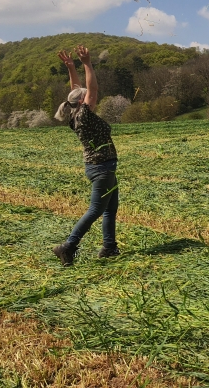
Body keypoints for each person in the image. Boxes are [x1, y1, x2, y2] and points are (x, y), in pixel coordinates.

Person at [52, 45, 120, 266]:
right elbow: (92, 89)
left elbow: (77, 90)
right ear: (83, 102)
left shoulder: (74, 113)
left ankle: (109, 247)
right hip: (102, 168)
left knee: (110, 208)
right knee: (95, 210)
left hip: (100, 166)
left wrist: (72, 68)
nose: (92, 98)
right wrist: (87, 63)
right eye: (87, 97)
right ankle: (68, 247)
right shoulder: (85, 115)